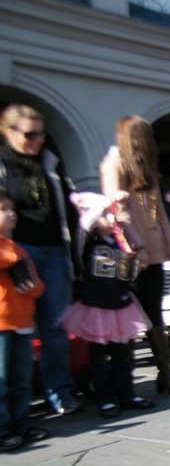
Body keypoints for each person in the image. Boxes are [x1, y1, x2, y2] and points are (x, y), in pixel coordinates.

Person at [0, 104, 81, 415]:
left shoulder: (49, 161)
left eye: (40, 134)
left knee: (56, 326)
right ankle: (13, 406)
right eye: (29, 134)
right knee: (13, 329)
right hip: (17, 253)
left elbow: (66, 209)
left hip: (55, 250)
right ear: (7, 132)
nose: (37, 140)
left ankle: (59, 392)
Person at [100, 116, 170, 394]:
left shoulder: (147, 168)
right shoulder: (115, 164)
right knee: (127, 314)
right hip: (130, 254)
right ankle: (125, 382)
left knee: (154, 313)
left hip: (155, 252)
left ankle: (166, 374)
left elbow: (159, 212)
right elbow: (118, 212)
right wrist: (137, 249)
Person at [59, 192, 155, 418]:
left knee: (122, 356)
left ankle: (127, 395)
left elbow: (126, 277)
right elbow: (82, 232)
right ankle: (106, 400)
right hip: (96, 309)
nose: (112, 219)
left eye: (112, 215)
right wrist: (96, 208)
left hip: (120, 307)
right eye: (105, 215)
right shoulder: (88, 245)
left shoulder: (119, 245)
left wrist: (133, 270)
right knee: (99, 358)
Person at [0, 185, 50, 451]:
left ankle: (21, 423)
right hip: (1, 324)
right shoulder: (11, 251)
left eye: (12, 209)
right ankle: (2, 428)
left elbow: (38, 286)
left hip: (22, 323)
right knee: (1, 381)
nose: (11, 214)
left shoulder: (17, 248)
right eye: (3, 209)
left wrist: (32, 287)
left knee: (21, 380)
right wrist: (12, 257)